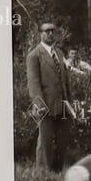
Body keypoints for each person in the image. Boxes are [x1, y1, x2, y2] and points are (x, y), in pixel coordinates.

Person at [25, 22, 72, 171]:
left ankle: (57, 171)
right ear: (40, 33)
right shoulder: (34, 55)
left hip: (62, 104)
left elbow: (65, 79)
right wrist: (40, 105)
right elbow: (33, 83)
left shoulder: (59, 53)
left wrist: (69, 102)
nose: (51, 34)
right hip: (45, 104)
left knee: (62, 140)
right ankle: (44, 174)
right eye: (47, 31)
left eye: (53, 31)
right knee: (45, 141)